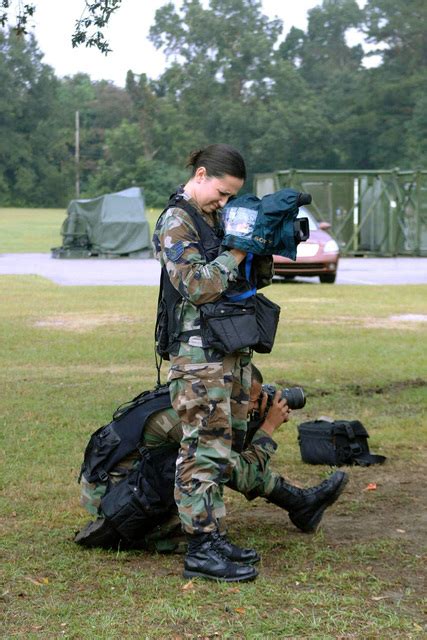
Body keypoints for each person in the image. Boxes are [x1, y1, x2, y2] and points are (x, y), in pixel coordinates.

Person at [76, 366, 348, 575]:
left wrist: (252, 425)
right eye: (249, 400)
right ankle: (299, 504)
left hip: (125, 486)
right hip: (117, 505)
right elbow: (241, 472)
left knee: (214, 457)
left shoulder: (193, 395)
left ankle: (300, 504)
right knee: (209, 475)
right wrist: (268, 429)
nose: (253, 407)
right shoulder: (193, 417)